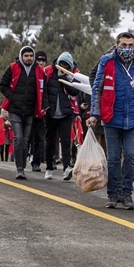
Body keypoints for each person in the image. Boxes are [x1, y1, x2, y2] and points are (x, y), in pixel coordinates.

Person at [89, 32, 134, 209]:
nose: (127, 48)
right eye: (123, 45)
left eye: (130, 45)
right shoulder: (107, 61)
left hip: (133, 119)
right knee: (113, 158)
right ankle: (112, 194)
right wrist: (95, 114)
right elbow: (97, 89)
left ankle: (127, 193)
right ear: (116, 45)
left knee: (130, 156)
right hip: (111, 117)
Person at [0, 45, 45, 179]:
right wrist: (13, 98)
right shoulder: (13, 68)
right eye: (26, 56)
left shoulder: (39, 70)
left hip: (30, 111)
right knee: (18, 138)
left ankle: (22, 164)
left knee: (25, 141)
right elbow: (3, 85)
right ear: (21, 56)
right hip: (15, 110)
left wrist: (44, 105)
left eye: (31, 55)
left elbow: (44, 89)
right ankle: (19, 168)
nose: (29, 58)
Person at [43, 51, 81, 180]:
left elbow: (76, 91)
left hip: (66, 113)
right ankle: (49, 167)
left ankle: (66, 168)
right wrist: (46, 107)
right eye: (61, 64)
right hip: (51, 113)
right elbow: (44, 91)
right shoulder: (48, 71)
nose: (63, 67)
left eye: (66, 65)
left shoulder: (74, 74)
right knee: (50, 141)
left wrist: (64, 78)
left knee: (66, 141)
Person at [29, 50, 49, 171]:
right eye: (39, 60)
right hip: (29, 110)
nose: (41, 62)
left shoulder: (45, 74)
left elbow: (46, 92)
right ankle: (26, 156)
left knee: (39, 138)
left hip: (41, 112)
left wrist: (45, 106)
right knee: (27, 137)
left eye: (43, 60)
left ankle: (36, 162)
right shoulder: (31, 73)